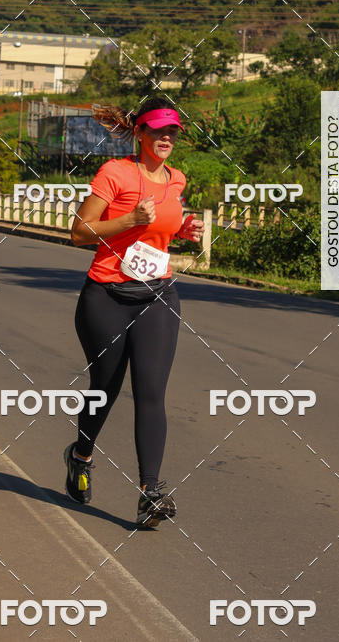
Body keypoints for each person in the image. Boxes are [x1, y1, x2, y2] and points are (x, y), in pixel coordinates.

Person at [65, 97, 204, 528]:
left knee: (151, 391)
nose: (166, 138)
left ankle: (151, 493)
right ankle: (81, 455)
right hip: (106, 295)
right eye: (158, 130)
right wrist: (128, 220)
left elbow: (160, 231)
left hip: (157, 294)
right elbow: (78, 233)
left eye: (173, 132)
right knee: (105, 387)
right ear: (140, 132)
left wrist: (182, 229)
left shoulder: (176, 180)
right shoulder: (115, 173)